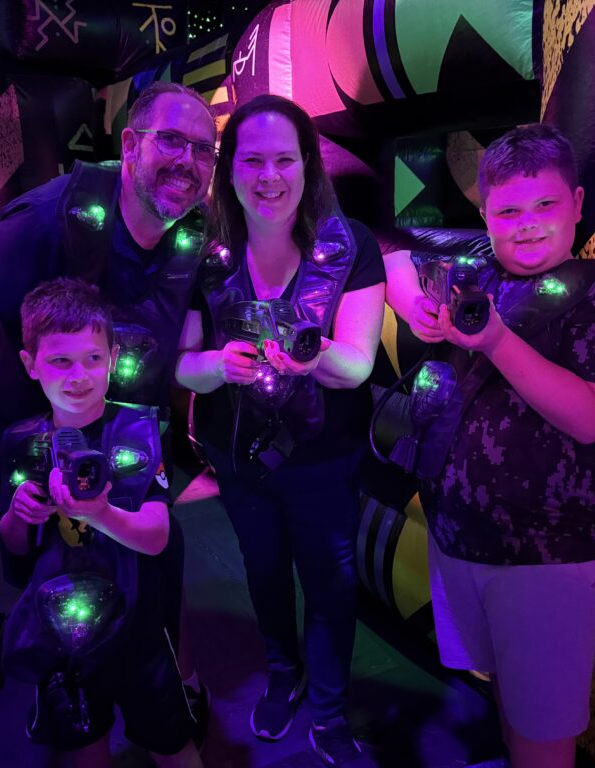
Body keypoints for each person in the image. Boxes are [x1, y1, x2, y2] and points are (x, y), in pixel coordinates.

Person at [0, 81, 216, 740]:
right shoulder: (48, 218)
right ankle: (73, 701)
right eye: (171, 141)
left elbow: (183, 334)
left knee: (157, 563)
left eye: (202, 149)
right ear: (131, 144)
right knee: (55, 582)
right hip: (39, 448)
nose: (187, 160)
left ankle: (172, 685)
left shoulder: (192, 237)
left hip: (131, 445)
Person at [384, 124, 595, 768]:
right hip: (460, 539)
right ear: (485, 215)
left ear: (577, 204)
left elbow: (590, 418)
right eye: (507, 211)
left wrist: (497, 341)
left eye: (544, 205)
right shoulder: (477, 274)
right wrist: (421, 311)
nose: (526, 225)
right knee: (509, 700)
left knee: (543, 736)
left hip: (544, 557)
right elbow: (390, 257)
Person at [175, 95, 385, 767]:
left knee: (330, 585)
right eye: (252, 161)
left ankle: (328, 709)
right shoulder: (203, 254)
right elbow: (181, 364)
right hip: (239, 457)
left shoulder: (350, 246)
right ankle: (282, 673)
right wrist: (218, 364)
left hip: (323, 458)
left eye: (284, 160)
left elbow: (358, 365)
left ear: (307, 164)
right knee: (263, 571)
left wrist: (311, 357)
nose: (269, 177)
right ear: (229, 169)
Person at [0, 278, 202, 768]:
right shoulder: (20, 441)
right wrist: (18, 514)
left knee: (171, 744)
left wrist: (101, 514)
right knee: (85, 746)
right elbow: (13, 553)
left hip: (137, 625)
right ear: (30, 364)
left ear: (113, 359)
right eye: (60, 361)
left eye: (92, 358)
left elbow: (157, 536)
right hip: (61, 632)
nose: (79, 376)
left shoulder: (139, 429)